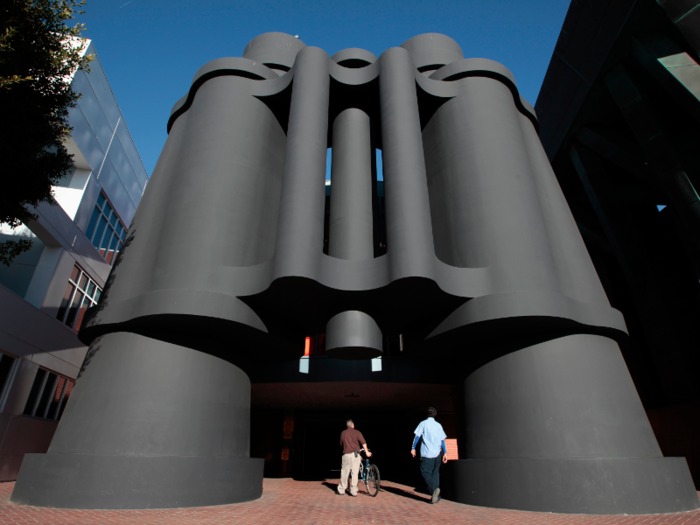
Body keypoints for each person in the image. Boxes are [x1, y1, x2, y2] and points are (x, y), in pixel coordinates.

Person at [411, 407, 448, 504]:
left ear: (426, 414)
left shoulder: (423, 424)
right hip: (438, 453)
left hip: (426, 453)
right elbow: (442, 440)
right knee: (435, 474)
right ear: (435, 415)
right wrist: (445, 453)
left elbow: (417, 436)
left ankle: (434, 489)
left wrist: (413, 448)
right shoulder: (438, 425)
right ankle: (436, 496)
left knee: (425, 472)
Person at [338, 419, 372, 496]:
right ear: (353, 425)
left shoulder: (343, 433)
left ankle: (342, 489)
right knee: (355, 472)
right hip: (355, 454)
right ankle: (353, 490)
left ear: (347, 425)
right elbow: (363, 442)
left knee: (345, 472)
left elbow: (341, 443)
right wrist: (366, 452)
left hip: (346, 454)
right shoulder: (357, 432)